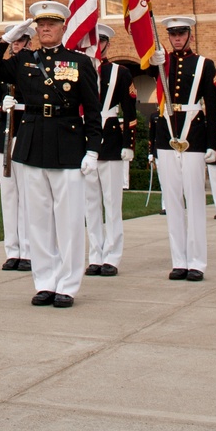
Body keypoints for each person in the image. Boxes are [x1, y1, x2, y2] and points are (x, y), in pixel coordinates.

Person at [0, 1, 102, 308]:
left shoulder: (78, 62)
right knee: (38, 220)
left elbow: (93, 110)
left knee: (70, 221)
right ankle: (45, 282)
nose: (45, 29)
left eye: (51, 24)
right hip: (32, 145)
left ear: (62, 27)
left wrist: (93, 149)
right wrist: (6, 39)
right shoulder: (23, 61)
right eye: (40, 25)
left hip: (68, 144)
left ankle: (68, 285)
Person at [152, 15, 216, 282]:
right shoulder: (162, 63)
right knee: (173, 200)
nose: (177, 38)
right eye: (173, 34)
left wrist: (213, 143)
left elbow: (212, 108)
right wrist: (154, 64)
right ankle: (179, 260)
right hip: (166, 135)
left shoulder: (204, 64)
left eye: (181, 34)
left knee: (194, 199)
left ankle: (197, 262)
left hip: (194, 134)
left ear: (189, 35)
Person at [83, 24, 136, 278]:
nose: (97, 46)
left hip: (112, 141)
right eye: (92, 42)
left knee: (112, 203)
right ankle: (95, 254)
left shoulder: (120, 73)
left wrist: (129, 143)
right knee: (90, 204)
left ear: (107, 44)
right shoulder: (81, 70)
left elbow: (130, 110)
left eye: (101, 41)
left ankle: (112, 256)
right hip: (86, 144)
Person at [0, 71, 29, 270]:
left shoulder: (32, 71)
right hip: (5, 139)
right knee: (9, 197)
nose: (17, 45)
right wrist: (2, 107)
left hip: (25, 138)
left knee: (27, 197)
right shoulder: (1, 75)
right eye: (14, 42)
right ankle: (12, 251)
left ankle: (27, 251)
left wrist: (20, 106)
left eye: (21, 41)